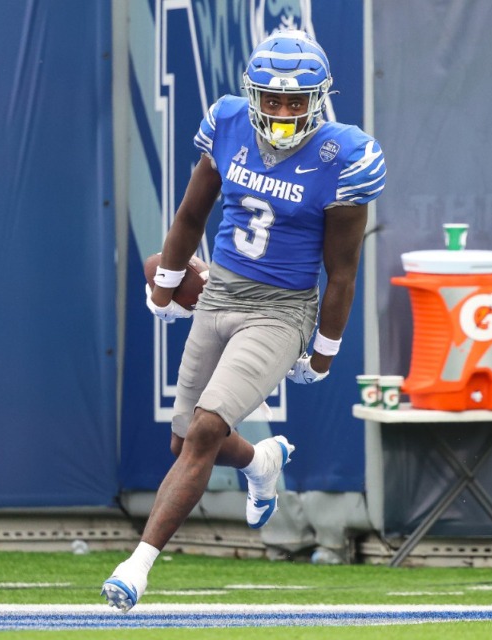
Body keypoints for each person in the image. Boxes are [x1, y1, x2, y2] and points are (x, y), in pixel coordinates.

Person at [101, 30, 386, 613]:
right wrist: (164, 285)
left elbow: (343, 272)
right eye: (273, 101)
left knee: (204, 431)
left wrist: (323, 353)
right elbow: (189, 214)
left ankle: (138, 566)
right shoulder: (229, 123)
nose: (283, 113)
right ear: (253, 96)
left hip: (280, 310)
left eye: (296, 101)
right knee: (183, 440)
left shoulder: (344, 155)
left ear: (319, 99)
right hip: (219, 294)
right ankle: (261, 461)